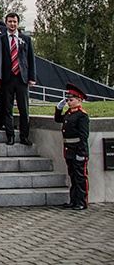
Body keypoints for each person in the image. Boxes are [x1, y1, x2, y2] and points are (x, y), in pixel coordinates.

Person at [1, 12, 37, 146]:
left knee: (24, 109)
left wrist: (32, 77)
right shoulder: (2, 39)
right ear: (6, 23)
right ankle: (10, 136)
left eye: (14, 21)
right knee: (7, 109)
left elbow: (31, 59)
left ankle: (24, 136)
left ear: (18, 23)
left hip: (22, 78)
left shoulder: (26, 39)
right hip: (7, 78)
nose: (12, 24)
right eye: (10, 21)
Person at [54, 83, 90, 211]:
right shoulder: (69, 113)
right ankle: (73, 200)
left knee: (80, 177)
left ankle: (82, 201)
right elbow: (58, 119)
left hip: (78, 150)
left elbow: (83, 135)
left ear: (79, 100)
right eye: (67, 100)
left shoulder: (82, 115)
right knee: (73, 176)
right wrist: (59, 108)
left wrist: (81, 152)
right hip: (69, 149)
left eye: (71, 100)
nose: (69, 103)